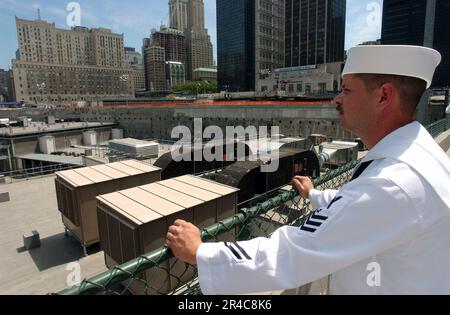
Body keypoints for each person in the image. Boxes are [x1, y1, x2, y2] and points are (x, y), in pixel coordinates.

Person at [166, 45, 450, 295]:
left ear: (383, 96)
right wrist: (316, 195)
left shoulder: (392, 183)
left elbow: (294, 252)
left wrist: (203, 253)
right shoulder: (417, 154)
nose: (337, 99)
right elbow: (360, 209)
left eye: (347, 89)